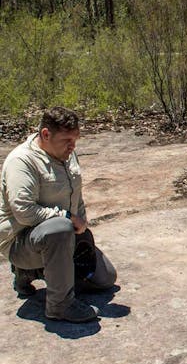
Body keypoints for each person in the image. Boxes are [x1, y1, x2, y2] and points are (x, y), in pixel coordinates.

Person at [0, 107, 117, 323]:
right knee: (59, 227)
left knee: (105, 279)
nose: (73, 146)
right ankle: (59, 306)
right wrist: (67, 217)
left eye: (75, 139)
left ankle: (35, 273)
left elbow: (76, 195)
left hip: (61, 238)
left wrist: (81, 226)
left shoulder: (68, 154)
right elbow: (24, 212)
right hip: (23, 243)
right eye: (67, 140)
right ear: (46, 134)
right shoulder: (22, 161)